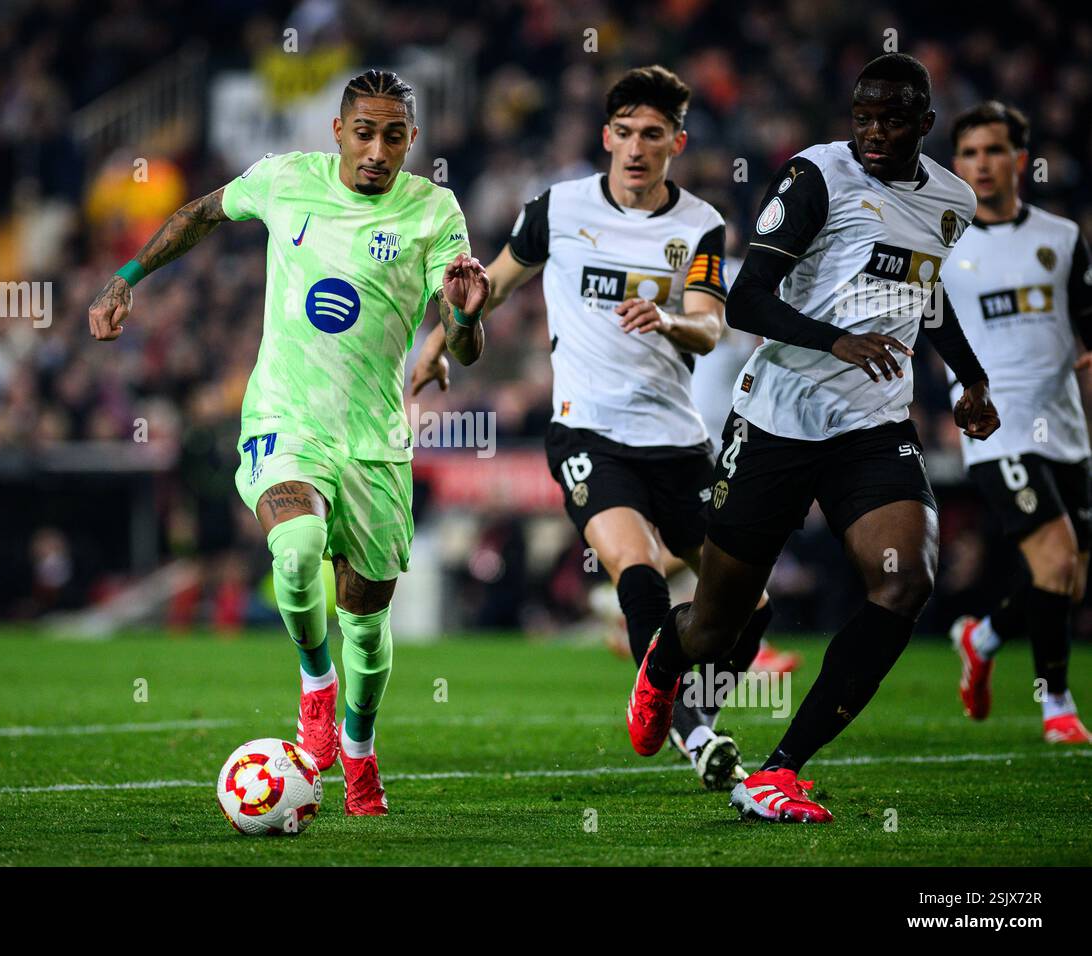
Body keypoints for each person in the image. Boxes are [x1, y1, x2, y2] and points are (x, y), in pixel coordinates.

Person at [89, 69, 490, 815]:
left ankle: (361, 751)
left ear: (412, 140)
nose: (376, 149)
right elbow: (201, 214)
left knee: (367, 628)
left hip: (374, 442)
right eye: (364, 132)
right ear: (337, 131)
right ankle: (315, 682)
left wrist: (464, 318)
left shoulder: (435, 211)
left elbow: (461, 345)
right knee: (296, 549)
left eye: (394, 136)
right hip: (285, 420)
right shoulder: (284, 180)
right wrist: (127, 276)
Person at [625, 53, 1000, 823]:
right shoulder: (817, 178)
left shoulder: (951, 200)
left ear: (925, 126)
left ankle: (779, 770)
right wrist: (834, 341)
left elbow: (924, 298)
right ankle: (664, 659)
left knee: (905, 584)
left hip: (872, 427)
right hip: (778, 420)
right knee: (719, 620)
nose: (872, 132)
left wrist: (971, 379)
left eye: (892, 120)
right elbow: (745, 299)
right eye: (862, 116)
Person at [412, 65, 771, 790]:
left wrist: (668, 318)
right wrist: (441, 340)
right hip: (587, 432)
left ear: (678, 140)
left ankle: (681, 699)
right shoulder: (557, 206)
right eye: (626, 132)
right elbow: (493, 286)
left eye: (654, 134)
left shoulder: (698, 222)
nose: (637, 147)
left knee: (751, 600)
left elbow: (709, 326)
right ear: (607, 135)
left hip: (678, 440)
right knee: (633, 565)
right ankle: (696, 735)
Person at [942, 101, 1092, 744]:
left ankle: (983, 636)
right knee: (1055, 561)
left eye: (994, 150)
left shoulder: (1060, 238)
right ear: (956, 163)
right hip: (996, 424)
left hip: (1064, 424)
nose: (982, 163)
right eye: (970, 152)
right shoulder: (943, 241)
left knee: (1065, 577)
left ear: (1019, 160)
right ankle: (1057, 705)